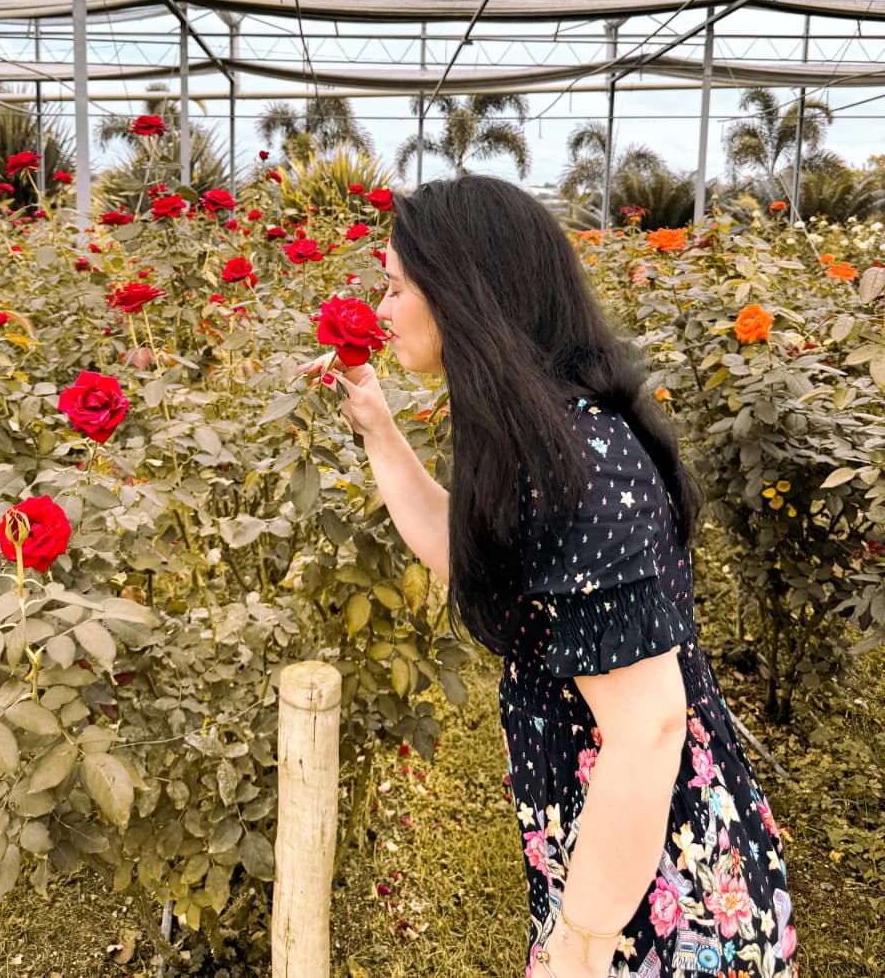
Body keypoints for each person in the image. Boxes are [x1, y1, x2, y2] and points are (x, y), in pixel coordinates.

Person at [307, 176, 797, 978]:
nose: (382, 309)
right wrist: (377, 425)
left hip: (662, 884)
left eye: (395, 286)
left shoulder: (587, 466)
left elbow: (647, 732)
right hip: (614, 848)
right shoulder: (539, 436)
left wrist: (579, 942)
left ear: (464, 293)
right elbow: (466, 556)